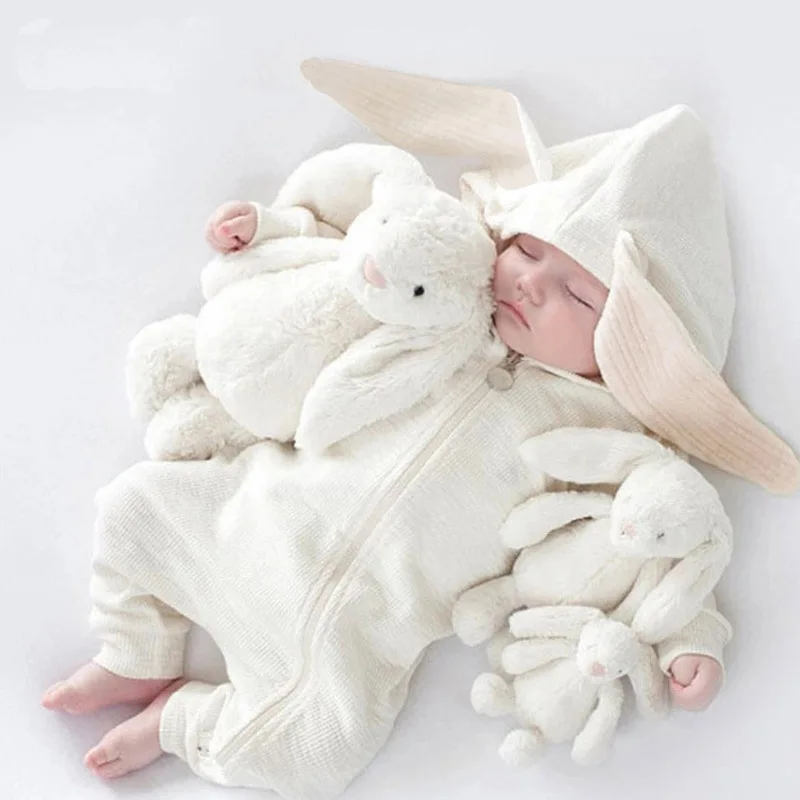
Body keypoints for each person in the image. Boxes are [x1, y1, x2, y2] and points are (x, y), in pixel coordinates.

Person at [41, 61, 798, 798]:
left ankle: (179, 723)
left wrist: (691, 641)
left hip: (364, 630)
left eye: (577, 293)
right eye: (526, 248)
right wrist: (270, 227)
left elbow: (655, 544)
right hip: (255, 514)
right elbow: (353, 251)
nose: (530, 281)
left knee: (317, 755)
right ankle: (135, 651)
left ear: (636, 337)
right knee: (134, 508)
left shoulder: (606, 440)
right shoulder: (445, 295)